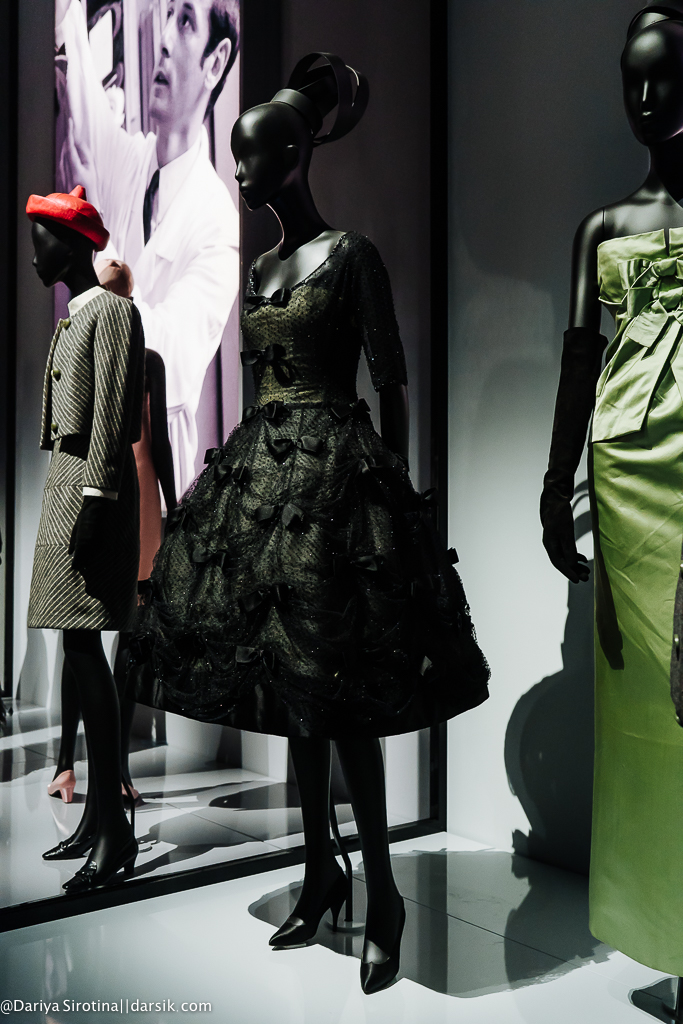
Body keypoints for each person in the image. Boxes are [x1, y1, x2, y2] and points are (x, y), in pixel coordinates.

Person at [130, 54, 490, 993]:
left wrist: (397, 504)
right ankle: (322, 869)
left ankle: (384, 894)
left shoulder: (351, 256)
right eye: (236, 156)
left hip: (338, 489)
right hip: (262, 488)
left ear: (293, 155)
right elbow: (260, 384)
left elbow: (391, 382)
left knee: (341, 695)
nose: (240, 172)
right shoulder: (256, 268)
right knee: (294, 694)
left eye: (253, 157)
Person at [541, 2, 683, 979]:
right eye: (629, 80)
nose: (642, 97)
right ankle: (664, 932)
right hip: (624, 474)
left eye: (661, 76)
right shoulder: (600, 227)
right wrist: (555, 485)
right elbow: (576, 362)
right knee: (639, 717)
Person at [55, 0, 240, 495]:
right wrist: (70, 19)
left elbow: (162, 362)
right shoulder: (132, 161)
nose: (163, 39)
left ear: (216, 61)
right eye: (168, 16)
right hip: (84, 460)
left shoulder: (219, 225)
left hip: (149, 487)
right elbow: (85, 118)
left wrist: (97, 248)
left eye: (186, 21)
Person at [27, 185, 144, 891]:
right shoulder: (76, 317)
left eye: (40, 240)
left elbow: (112, 415)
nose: (33, 255)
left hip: (92, 490)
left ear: (71, 243)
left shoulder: (112, 312)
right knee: (75, 645)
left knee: (84, 647)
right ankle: (99, 818)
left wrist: (97, 499)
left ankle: (115, 831)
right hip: (67, 483)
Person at [48, 259, 176, 806]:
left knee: (117, 635)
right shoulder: (108, 343)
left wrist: (172, 504)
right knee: (89, 632)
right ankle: (75, 764)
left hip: (134, 494)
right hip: (113, 489)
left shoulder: (146, 358)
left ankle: (102, 767)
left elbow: (159, 438)